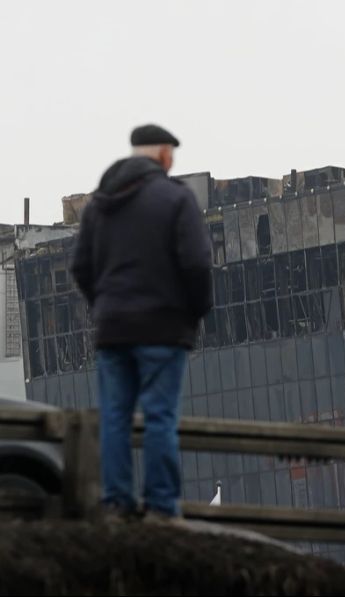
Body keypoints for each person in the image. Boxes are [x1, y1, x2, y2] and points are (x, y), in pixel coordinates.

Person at [71, 124, 212, 518]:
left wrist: (103, 305)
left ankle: (116, 502)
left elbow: (81, 266)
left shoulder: (100, 204)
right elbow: (197, 264)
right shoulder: (175, 199)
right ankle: (161, 507)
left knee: (115, 418)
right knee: (159, 417)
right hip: (163, 329)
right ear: (163, 154)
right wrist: (195, 311)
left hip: (113, 329)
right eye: (171, 153)